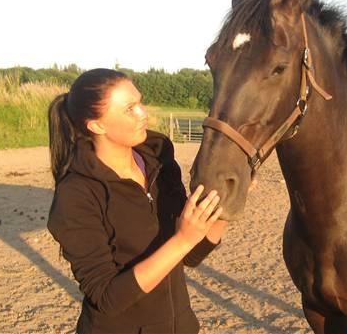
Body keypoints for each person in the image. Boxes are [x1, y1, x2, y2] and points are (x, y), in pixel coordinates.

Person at [46, 68, 225, 333]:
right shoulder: (76, 195)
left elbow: (190, 255)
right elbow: (107, 297)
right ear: (96, 125)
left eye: (139, 102)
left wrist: (227, 205)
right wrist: (183, 239)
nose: (144, 114)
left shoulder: (159, 162)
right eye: (130, 109)